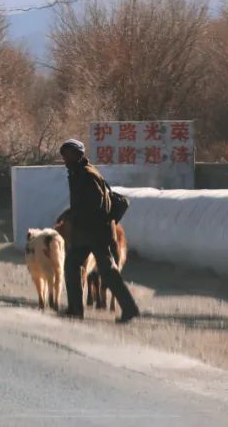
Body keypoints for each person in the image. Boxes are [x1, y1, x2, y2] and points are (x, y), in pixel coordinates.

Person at [60, 138, 140, 323]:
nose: (65, 158)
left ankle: (129, 308)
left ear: (78, 154)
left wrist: (79, 219)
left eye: (68, 154)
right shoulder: (77, 172)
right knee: (73, 265)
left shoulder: (87, 175)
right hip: (86, 232)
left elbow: (98, 205)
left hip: (95, 232)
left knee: (107, 271)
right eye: (64, 154)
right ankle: (75, 309)